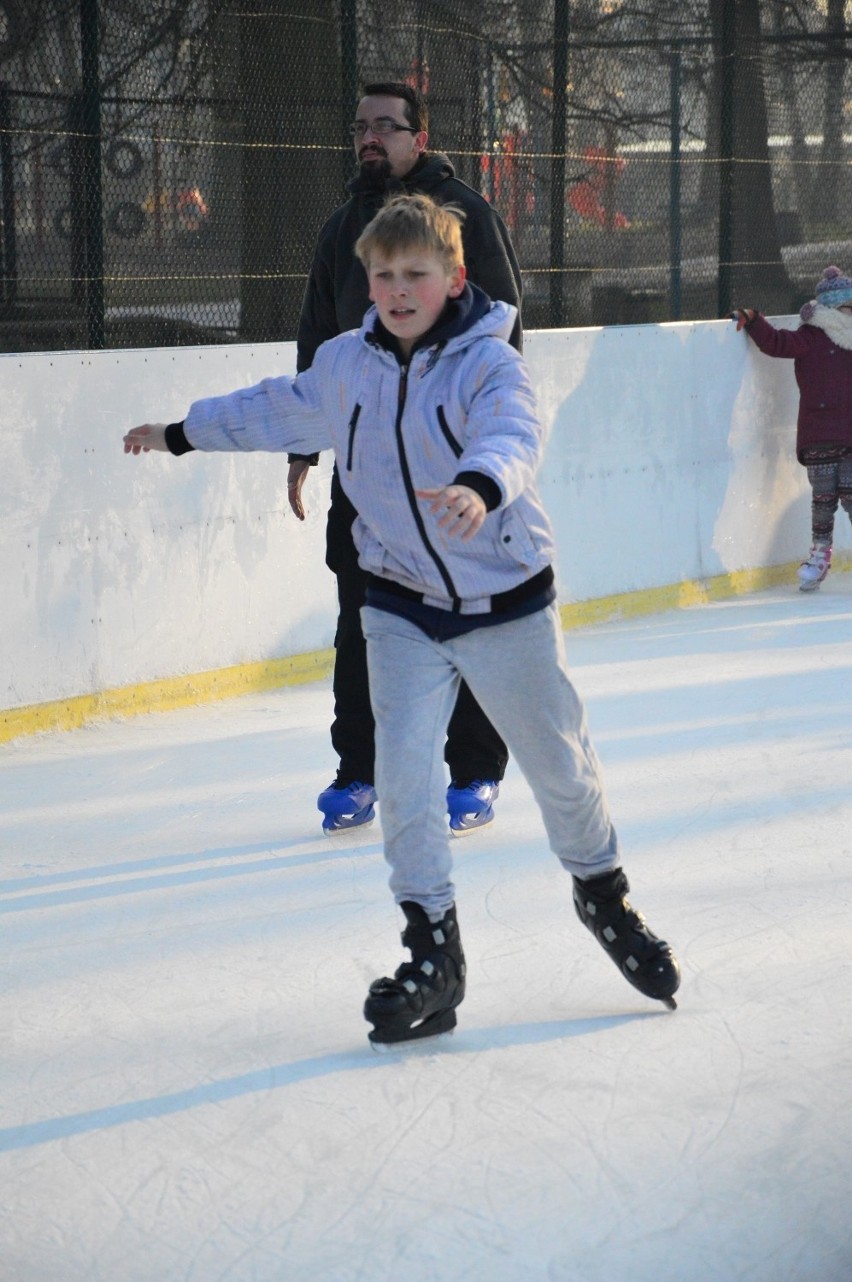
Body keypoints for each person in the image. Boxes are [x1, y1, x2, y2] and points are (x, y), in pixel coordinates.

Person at [123, 193, 681, 1046]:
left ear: (454, 277)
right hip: (397, 599)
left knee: (559, 765)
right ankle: (433, 952)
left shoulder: (488, 363)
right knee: (408, 780)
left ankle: (607, 900)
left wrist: (479, 485)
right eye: (382, 275)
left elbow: (512, 435)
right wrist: (180, 432)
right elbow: (277, 406)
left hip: (504, 597)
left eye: (414, 273)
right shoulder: (350, 363)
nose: (396, 288)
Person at [290, 80, 523, 836]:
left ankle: (475, 772)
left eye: (386, 127)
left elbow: (503, 335)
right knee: (361, 617)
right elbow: (318, 339)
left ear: (419, 138)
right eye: (360, 126)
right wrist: (303, 444)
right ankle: (360, 770)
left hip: (450, 470)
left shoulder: (466, 217)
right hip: (367, 471)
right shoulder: (340, 228)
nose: (369, 138)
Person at [734, 264, 852, 593]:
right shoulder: (811, 337)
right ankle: (819, 555)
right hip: (819, 434)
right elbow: (777, 343)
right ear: (835, 308)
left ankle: (819, 555)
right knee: (824, 500)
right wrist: (755, 321)